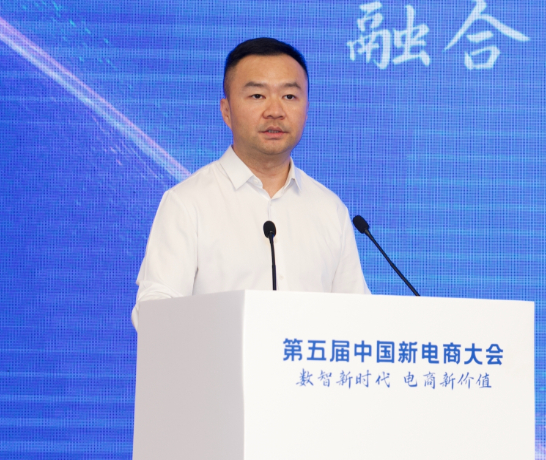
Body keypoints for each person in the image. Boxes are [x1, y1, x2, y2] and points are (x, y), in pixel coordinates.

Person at [132, 38, 370, 329]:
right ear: (226, 111)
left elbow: (359, 320)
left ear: (307, 108)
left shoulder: (329, 209)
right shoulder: (187, 203)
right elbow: (155, 312)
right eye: (257, 95)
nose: (275, 111)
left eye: (289, 96)